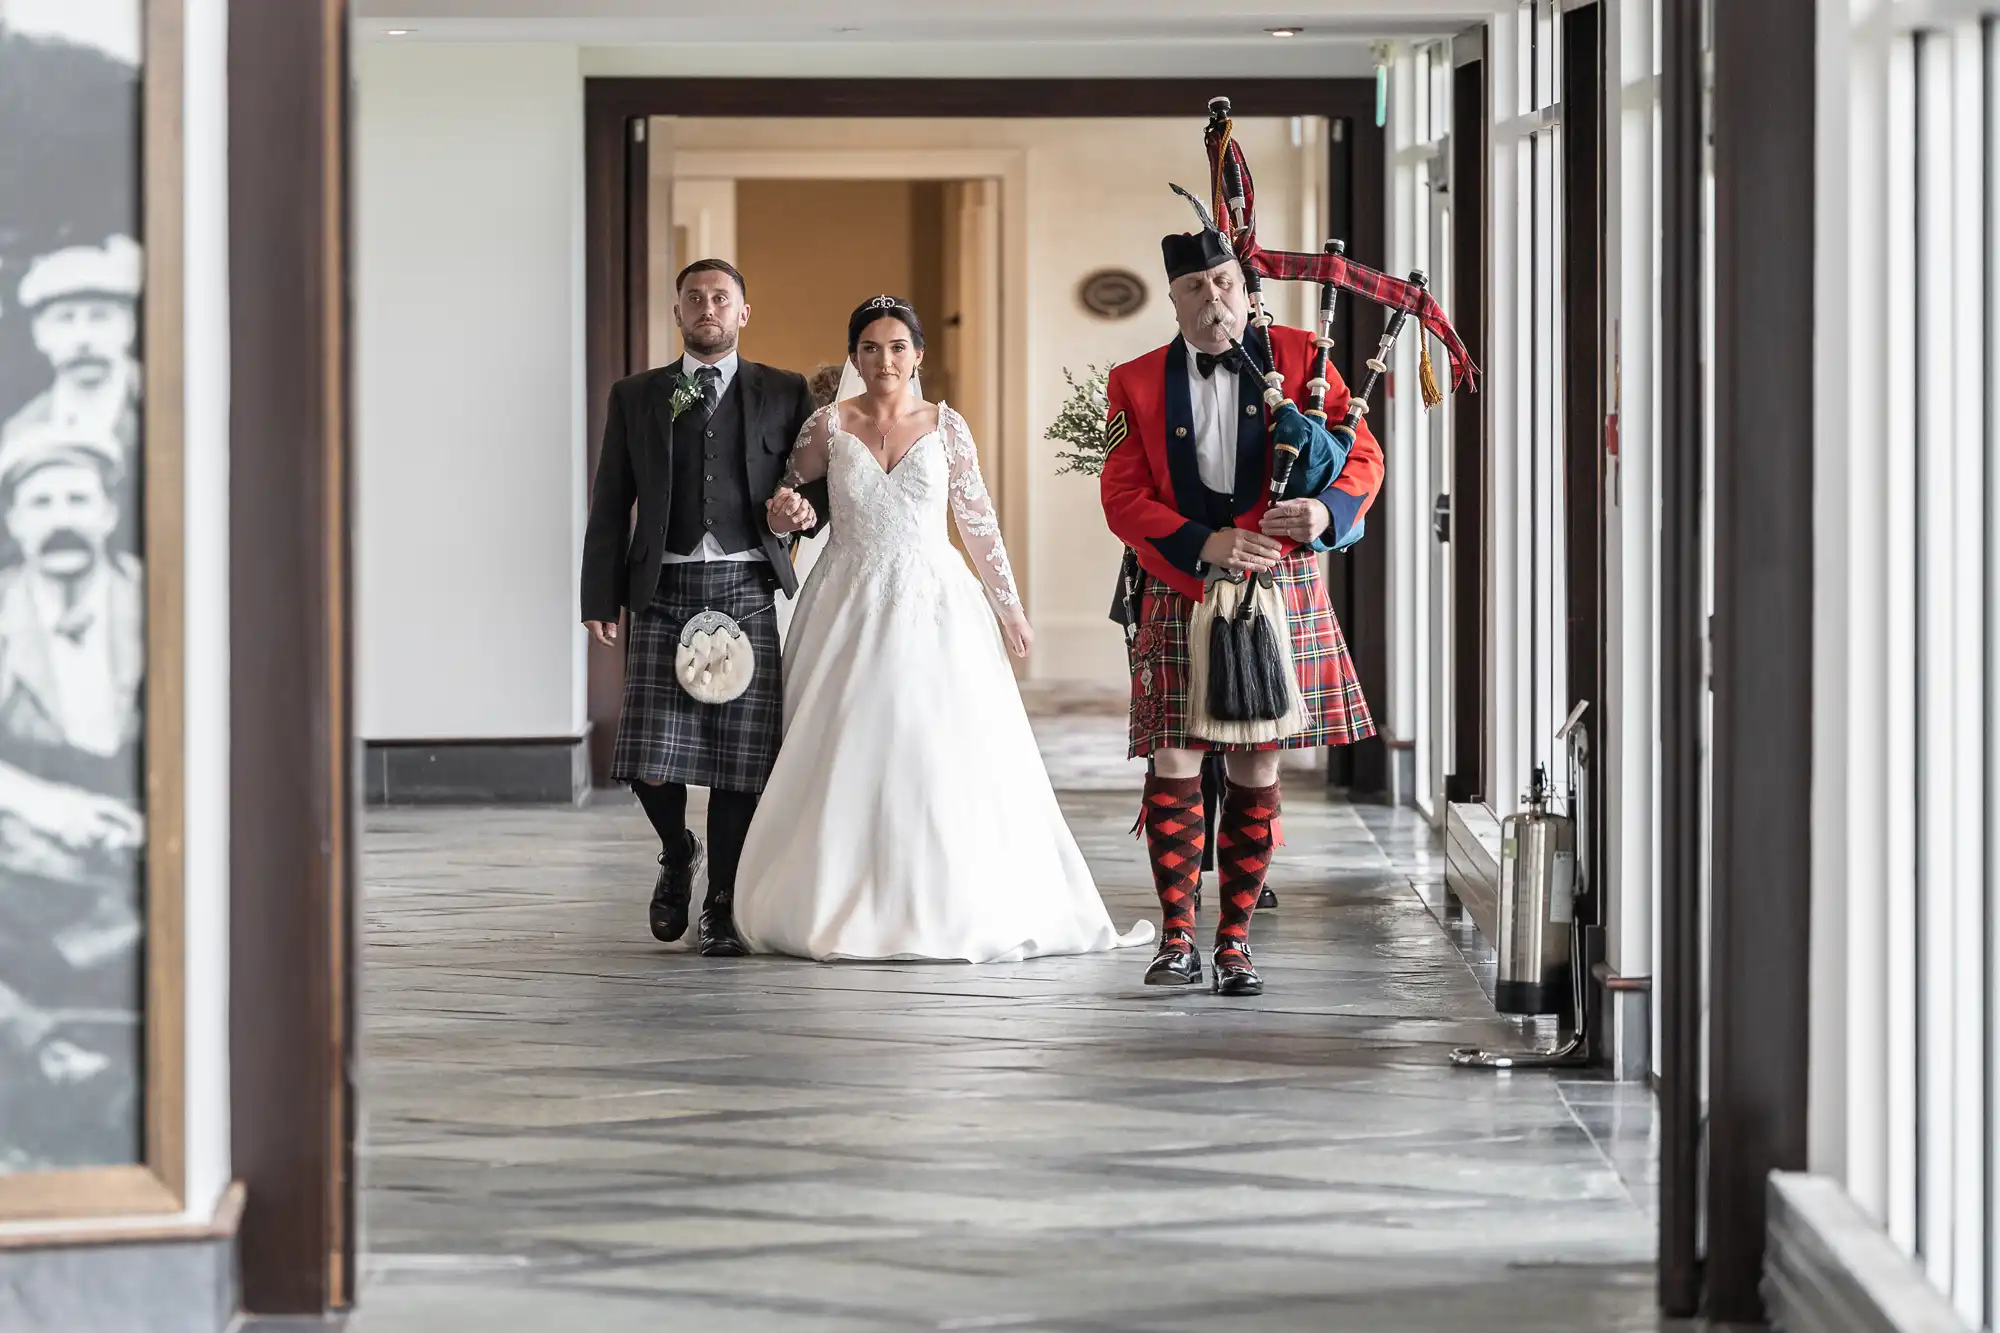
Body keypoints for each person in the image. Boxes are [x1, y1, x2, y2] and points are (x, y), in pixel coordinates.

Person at [734, 296, 1152, 963]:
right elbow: (789, 506)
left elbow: (976, 520)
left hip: (934, 598)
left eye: (897, 346)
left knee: (936, 736)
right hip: (846, 596)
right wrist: (785, 516)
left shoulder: (946, 426)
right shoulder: (827, 426)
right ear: (854, 356)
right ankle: (838, 889)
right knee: (847, 737)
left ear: (918, 354)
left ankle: (946, 892)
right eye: (870, 347)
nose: (884, 359)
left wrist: (1009, 605)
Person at [1100, 227, 1383, 996]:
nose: (1212, 298)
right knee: (1175, 760)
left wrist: (1326, 514)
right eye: (1195, 287)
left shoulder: (1299, 356)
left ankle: (1235, 943)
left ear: (1244, 285)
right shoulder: (1133, 380)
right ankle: (1177, 936)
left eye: (1223, 281)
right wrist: (1205, 540)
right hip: (1183, 585)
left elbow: (1362, 456)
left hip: (1277, 590)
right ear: (1174, 298)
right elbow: (1123, 496)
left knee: (1257, 764)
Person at [580, 259, 819, 956]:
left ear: (744, 312)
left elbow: (816, 489)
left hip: (745, 584)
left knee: (738, 762)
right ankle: (678, 849)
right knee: (648, 756)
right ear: (677, 311)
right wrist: (600, 592)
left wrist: (799, 512)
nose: (707, 307)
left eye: (721, 298)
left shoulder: (784, 391)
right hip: (663, 586)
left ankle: (721, 902)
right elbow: (609, 498)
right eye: (695, 298)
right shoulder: (638, 395)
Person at [0, 425, 146, 1168]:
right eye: (40, 500)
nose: (60, 516)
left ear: (108, 510)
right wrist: (47, 808)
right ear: (15, 520)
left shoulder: (155, 605)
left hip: (142, 833)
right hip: (27, 840)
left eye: (77, 497)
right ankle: (48, 1059)